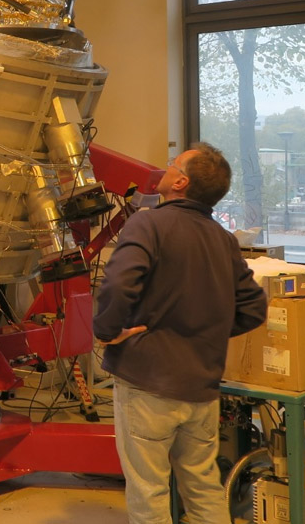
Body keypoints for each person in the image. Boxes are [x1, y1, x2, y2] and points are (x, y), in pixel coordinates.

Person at [93, 142, 267, 524]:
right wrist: (208, 329)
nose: (165, 169)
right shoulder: (223, 239)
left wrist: (108, 331)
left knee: (149, 491)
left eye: (172, 165)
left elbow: (119, 285)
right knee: (204, 487)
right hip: (201, 388)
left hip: (147, 384)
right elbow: (255, 308)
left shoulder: (147, 223)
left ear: (180, 183)